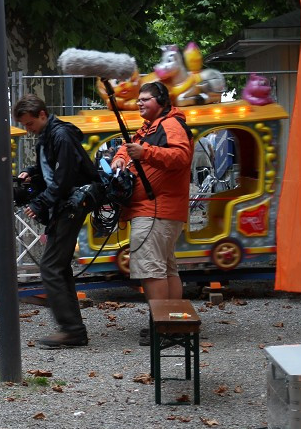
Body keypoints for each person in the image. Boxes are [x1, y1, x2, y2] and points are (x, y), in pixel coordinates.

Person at [110, 82, 193, 345]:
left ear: (161, 101)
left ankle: (165, 328)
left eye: (146, 99)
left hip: (157, 210)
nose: (140, 103)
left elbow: (181, 157)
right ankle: (170, 324)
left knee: (152, 269)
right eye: (139, 99)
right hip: (160, 211)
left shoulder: (170, 125)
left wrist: (145, 152)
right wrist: (121, 157)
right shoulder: (152, 127)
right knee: (166, 269)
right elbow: (130, 145)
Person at [13, 94, 97, 349]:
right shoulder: (50, 135)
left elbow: (64, 176)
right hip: (66, 204)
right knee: (58, 267)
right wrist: (32, 171)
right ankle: (73, 329)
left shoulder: (59, 135)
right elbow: (53, 167)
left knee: (50, 267)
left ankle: (71, 330)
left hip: (69, 204)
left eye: (29, 124)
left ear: (42, 114)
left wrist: (40, 203)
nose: (28, 130)